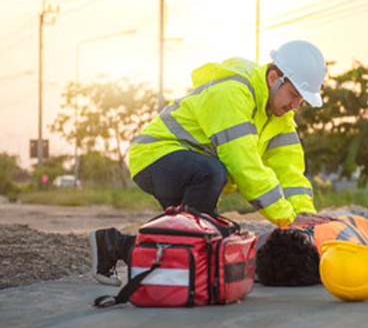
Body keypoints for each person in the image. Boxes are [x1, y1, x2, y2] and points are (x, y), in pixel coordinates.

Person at [92, 40, 330, 286]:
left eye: (301, 100)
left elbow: (290, 174)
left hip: (193, 170)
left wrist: (306, 220)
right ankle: (134, 252)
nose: (295, 105)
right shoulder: (233, 92)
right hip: (156, 157)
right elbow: (243, 164)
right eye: (293, 95)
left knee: (205, 241)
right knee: (211, 177)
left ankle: (113, 245)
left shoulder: (281, 119)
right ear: (273, 78)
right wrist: (287, 219)